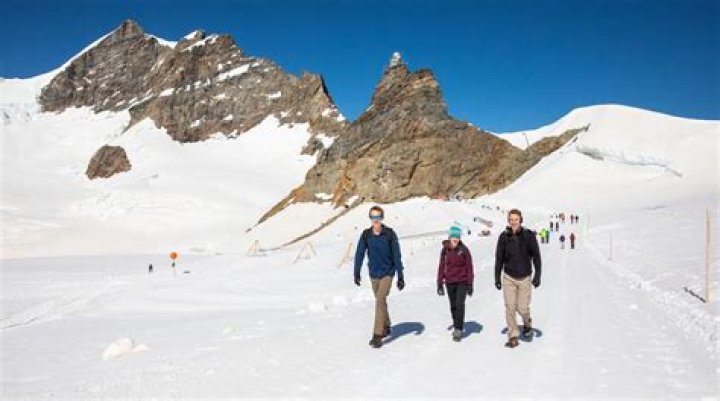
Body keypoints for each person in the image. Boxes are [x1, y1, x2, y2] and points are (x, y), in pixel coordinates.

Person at [354, 205, 405, 349]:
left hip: (388, 273)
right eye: (373, 217)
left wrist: (400, 276)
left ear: (382, 218)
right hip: (374, 274)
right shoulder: (366, 235)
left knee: (380, 299)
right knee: (380, 301)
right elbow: (359, 254)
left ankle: (377, 335)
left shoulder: (389, 234)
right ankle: (386, 325)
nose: (375, 220)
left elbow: (396, 255)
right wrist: (356, 272)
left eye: (378, 217)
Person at [495, 209, 542, 348]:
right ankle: (513, 335)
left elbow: (536, 256)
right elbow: (499, 258)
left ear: (521, 220)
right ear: (508, 221)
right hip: (509, 277)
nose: (513, 222)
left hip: (525, 277)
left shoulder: (528, 235)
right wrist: (497, 277)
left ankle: (527, 324)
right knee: (510, 307)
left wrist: (538, 275)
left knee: (522, 308)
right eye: (511, 219)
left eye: (516, 219)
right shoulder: (504, 237)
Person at [437, 226, 474, 342]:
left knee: (459, 304)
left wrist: (470, 284)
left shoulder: (464, 250)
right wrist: (439, 283)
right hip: (449, 282)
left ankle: (458, 329)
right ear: (449, 237)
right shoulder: (445, 250)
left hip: (462, 281)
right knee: (453, 305)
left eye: (457, 237)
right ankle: (456, 322)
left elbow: (469, 267)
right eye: (453, 236)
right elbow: (441, 266)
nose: (455, 239)